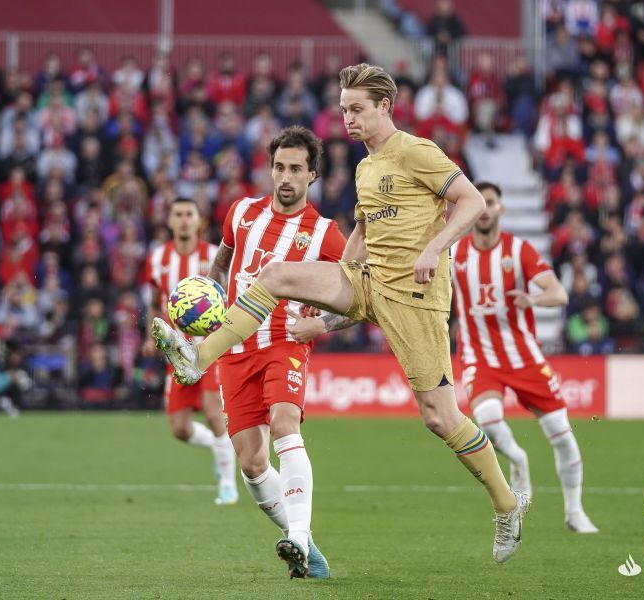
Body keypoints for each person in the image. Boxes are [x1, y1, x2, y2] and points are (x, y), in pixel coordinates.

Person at [152, 64, 529, 565]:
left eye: (356, 109)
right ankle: (199, 356)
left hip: (415, 296)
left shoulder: (416, 151)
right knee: (279, 275)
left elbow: (472, 201)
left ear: (384, 108)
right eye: (343, 110)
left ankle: (506, 504)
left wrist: (434, 248)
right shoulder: (365, 166)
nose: (347, 118)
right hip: (369, 282)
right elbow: (366, 229)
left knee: (440, 417)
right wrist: (336, 286)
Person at [201, 126, 343, 579]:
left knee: (284, 425)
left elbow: (363, 297)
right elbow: (221, 264)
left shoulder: (324, 233)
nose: (285, 177)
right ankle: (307, 547)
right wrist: (207, 306)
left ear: (312, 175)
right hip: (234, 350)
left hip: (285, 342)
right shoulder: (240, 212)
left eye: (296, 169)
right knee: (251, 461)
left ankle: (297, 537)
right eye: (279, 167)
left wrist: (321, 323)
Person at [451, 181, 598, 533]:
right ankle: (519, 459)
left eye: (491, 203)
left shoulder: (520, 251)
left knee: (563, 437)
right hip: (479, 356)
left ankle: (574, 512)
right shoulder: (454, 253)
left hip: (525, 358)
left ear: (500, 209)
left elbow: (558, 294)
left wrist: (532, 300)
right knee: (486, 419)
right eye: (479, 203)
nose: (485, 210)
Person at [144, 197, 238, 506]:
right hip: (177, 352)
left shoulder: (215, 255)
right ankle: (220, 448)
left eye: (189, 214)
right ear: (169, 221)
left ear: (199, 221)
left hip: (212, 349)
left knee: (214, 413)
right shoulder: (157, 259)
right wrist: (150, 334)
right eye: (178, 214)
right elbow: (154, 302)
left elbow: (232, 296)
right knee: (180, 429)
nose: (183, 220)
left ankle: (228, 485)